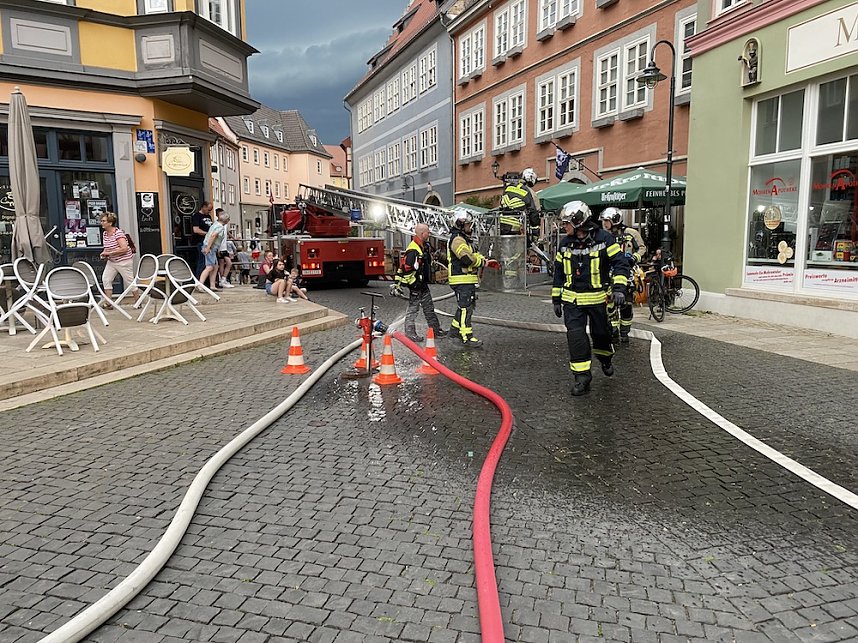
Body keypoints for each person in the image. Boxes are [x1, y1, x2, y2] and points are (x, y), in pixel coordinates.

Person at [552, 201, 630, 396]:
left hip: (597, 300)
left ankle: (605, 359)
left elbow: (620, 263)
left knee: (601, 337)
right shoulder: (565, 243)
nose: (564, 227)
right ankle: (582, 378)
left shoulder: (604, 239)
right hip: (572, 302)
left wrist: (619, 289)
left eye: (566, 223)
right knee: (576, 338)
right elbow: (558, 273)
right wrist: (556, 298)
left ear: (578, 222)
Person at [448, 211, 494, 348]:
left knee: (465, 307)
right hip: (461, 280)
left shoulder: (464, 239)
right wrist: (481, 262)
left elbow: (471, 255)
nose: (471, 227)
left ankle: (454, 331)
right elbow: (466, 259)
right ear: (460, 225)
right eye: (468, 224)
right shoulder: (457, 240)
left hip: (466, 279)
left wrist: (482, 260)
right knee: (465, 309)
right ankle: (466, 336)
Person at [600, 207, 646, 343]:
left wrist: (634, 258)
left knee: (626, 304)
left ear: (615, 220)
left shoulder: (631, 233)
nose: (605, 224)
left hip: (628, 273)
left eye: (607, 221)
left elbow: (642, 248)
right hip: (609, 273)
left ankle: (625, 332)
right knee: (610, 303)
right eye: (604, 221)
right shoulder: (604, 235)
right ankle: (613, 330)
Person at [400, 223, 446, 343]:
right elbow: (407, 268)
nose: (429, 234)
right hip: (416, 286)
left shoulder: (423, 246)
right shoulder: (413, 249)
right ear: (422, 234)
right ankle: (410, 333)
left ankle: (436, 330)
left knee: (429, 308)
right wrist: (414, 284)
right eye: (428, 232)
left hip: (422, 285)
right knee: (413, 310)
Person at [98, 212, 139, 306]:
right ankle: (109, 303)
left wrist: (109, 253)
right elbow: (107, 247)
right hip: (112, 261)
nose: (102, 223)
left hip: (124, 261)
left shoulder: (118, 233)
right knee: (106, 279)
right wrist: (105, 253)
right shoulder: (105, 234)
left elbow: (124, 248)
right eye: (101, 221)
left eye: (104, 221)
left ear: (110, 223)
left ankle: (138, 301)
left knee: (129, 282)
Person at [499, 167, 540, 244]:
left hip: (502, 224)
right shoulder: (528, 192)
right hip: (516, 226)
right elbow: (534, 212)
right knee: (520, 249)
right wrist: (535, 231)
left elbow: (501, 204)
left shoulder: (508, 188)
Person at [199, 211, 228, 292]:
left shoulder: (215, 224)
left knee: (215, 267)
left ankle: (212, 285)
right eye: (228, 219)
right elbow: (213, 236)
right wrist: (208, 248)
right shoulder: (220, 227)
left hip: (212, 247)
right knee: (209, 267)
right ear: (226, 220)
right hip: (210, 248)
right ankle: (200, 285)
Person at [191, 200, 214, 277]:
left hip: (208, 242)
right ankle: (198, 279)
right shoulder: (197, 216)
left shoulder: (208, 216)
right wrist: (208, 234)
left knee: (209, 262)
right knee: (202, 261)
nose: (209, 211)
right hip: (200, 241)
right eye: (208, 209)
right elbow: (196, 230)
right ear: (204, 207)